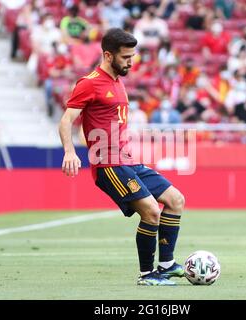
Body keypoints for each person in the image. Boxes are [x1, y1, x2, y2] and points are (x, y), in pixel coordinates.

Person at [58, 28, 185, 286]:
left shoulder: (118, 80)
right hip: (108, 163)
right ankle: (147, 275)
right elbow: (66, 120)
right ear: (108, 55)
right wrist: (70, 151)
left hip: (128, 159)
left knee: (175, 200)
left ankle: (167, 265)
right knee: (150, 211)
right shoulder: (89, 83)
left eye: (132, 56)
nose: (130, 62)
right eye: (126, 57)